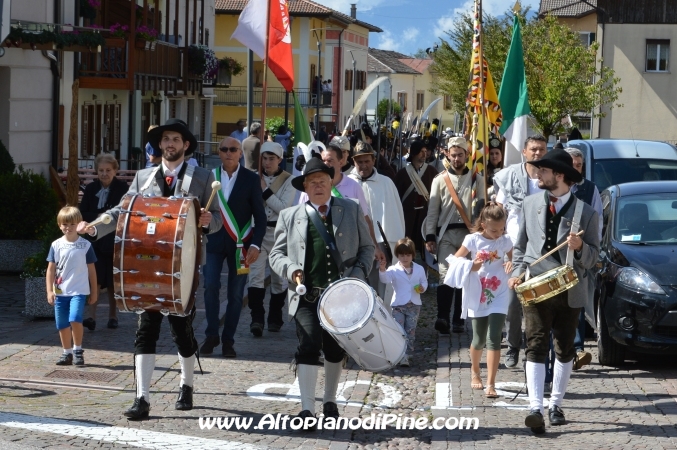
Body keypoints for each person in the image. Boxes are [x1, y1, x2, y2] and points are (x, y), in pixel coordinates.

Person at [76, 118, 222, 420]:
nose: (169, 144)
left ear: (185, 146)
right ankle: (142, 398)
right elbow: (123, 210)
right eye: (165, 139)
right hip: (145, 264)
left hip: (184, 266)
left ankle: (186, 384)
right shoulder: (143, 177)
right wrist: (94, 227)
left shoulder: (204, 177)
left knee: (182, 331)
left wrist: (210, 222)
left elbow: (218, 218)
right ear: (160, 145)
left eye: (175, 139)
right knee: (146, 330)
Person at [269, 158, 375, 427]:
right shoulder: (289, 216)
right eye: (312, 182)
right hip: (306, 295)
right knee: (308, 344)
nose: (318, 185)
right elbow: (276, 254)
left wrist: (358, 277)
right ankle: (307, 409)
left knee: (334, 349)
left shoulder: (350, 209)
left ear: (331, 183)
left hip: (342, 296)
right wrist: (291, 268)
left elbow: (367, 248)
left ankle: (329, 400)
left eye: (322, 181)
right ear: (304, 186)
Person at [508, 148, 599, 434]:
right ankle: (535, 407)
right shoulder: (530, 203)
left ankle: (555, 404)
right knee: (535, 344)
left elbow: (595, 257)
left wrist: (581, 248)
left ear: (559, 176)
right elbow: (521, 247)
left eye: (544, 171)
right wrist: (516, 273)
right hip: (535, 287)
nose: (538, 174)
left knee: (564, 347)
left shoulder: (587, 213)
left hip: (569, 288)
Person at [200, 136, 266, 358]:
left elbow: (260, 216)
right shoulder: (208, 176)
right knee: (210, 286)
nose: (228, 152)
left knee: (237, 295)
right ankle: (211, 335)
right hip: (213, 241)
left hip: (241, 244)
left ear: (240, 153)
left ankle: (228, 340)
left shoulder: (250, 179)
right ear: (218, 153)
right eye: (224, 149)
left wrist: (256, 244)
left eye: (233, 149)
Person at [493, 135, 548, 368]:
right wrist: (504, 249)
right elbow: (499, 213)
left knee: (539, 304)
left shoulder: (552, 177)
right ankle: (513, 346)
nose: (537, 153)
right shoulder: (511, 177)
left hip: (543, 250)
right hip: (516, 249)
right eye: (533, 149)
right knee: (513, 304)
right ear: (524, 151)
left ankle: (536, 351)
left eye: (542, 149)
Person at [448, 203, 513, 398]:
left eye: (502, 228)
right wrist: (470, 266)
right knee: (478, 338)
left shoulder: (505, 241)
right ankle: (475, 371)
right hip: (479, 291)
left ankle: (491, 383)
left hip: (500, 290)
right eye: (494, 229)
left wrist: (511, 262)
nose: (498, 233)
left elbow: (514, 258)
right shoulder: (472, 240)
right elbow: (454, 260)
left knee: (494, 338)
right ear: (483, 224)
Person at [425, 137, 484, 335]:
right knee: (445, 274)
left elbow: (482, 209)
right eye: (453, 155)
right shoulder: (440, 180)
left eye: (460, 155)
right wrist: (430, 236)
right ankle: (442, 317)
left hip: (469, 234)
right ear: (447, 155)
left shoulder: (478, 179)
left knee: (464, 276)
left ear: (467, 155)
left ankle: (459, 319)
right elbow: (433, 211)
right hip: (446, 234)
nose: (457, 159)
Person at [298, 143, 386, 267]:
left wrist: (375, 246)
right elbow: (300, 218)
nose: (326, 163)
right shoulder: (310, 187)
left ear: (341, 162)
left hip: (347, 253)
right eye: (323, 160)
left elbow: (365, 219)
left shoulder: (353, 186)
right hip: (317, 251)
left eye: (330, 160)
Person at [247, 142, 296, 336]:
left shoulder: (288, 181)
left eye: (271, 159)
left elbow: (284, 208)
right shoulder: (253, 178)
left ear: (280, 160)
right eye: (264, 159)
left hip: (279, 234)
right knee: (255, 276)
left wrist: (264, 190)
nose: (267, 163)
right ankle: (256, 318)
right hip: (257, 233)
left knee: (279, 279)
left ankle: (275, 317)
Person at [348, 141, 406, 302]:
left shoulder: (386, 183)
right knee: (359, 283)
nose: (363, 165)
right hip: (357, 243)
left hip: (383, 242)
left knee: (384, 284)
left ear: (373, 160)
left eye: (367, 161)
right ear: (354, 162)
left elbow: (396, 214)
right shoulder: (347, 183)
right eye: (360, 162)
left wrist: (397, 241)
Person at [565, 146, 603, 370]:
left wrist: (590, 250)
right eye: (572, 165)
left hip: (580, 254)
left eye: (579, 165)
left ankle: (578, 348)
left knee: (577, 301)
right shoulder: (555, 188)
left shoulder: (590, 189)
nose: (576, 168)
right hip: (558, 255)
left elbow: (596, 223)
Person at [79, 153, 128, 330]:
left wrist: (108, 217)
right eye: (101, 170)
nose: (104, 174)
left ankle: (113, 316)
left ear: (115, 171)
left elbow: (124, 212)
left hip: (115, 238)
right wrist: (98, 217)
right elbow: (83, 212)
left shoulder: (122, 189)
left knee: (112, 280)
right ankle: (91, 317)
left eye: (108, 170)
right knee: (95, 278)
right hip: (95, 239)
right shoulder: (91, 189)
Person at [47, 206, 98, 366]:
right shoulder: (56, 245)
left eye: (72, 224)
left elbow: (92, 270)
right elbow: (50, 269)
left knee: (75, 318)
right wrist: (49, 290)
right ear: (59, 225)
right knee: (61, 323)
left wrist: (94, 292)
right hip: (60, 291)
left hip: (79, 290)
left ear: (79, 225)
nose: (68, 228)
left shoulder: (85, 245)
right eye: (64, 224)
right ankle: (66, 352)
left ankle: (78, 349)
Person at [378, 238, 427, 367]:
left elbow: (424, 281)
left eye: (408, 255)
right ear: (397, 256)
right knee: (399, 330)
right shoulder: (394, 270)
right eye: (401, 255)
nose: (405, 258)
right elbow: (385, 279)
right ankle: (400, 355)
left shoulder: (419, 269)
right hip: (399, 305)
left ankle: (407, 353)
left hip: (414, 304)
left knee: (410, 330)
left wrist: (423, 287)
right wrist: (382, 269)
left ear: (412, 255)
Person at [394, 139, 439, 262]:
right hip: (407, 216)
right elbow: (396, 196)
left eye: (425, 151)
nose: (424, 155)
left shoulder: (432, 172)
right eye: (421, 152)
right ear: (413, 153)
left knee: (424, 249)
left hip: (425, 215)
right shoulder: (402, 174)